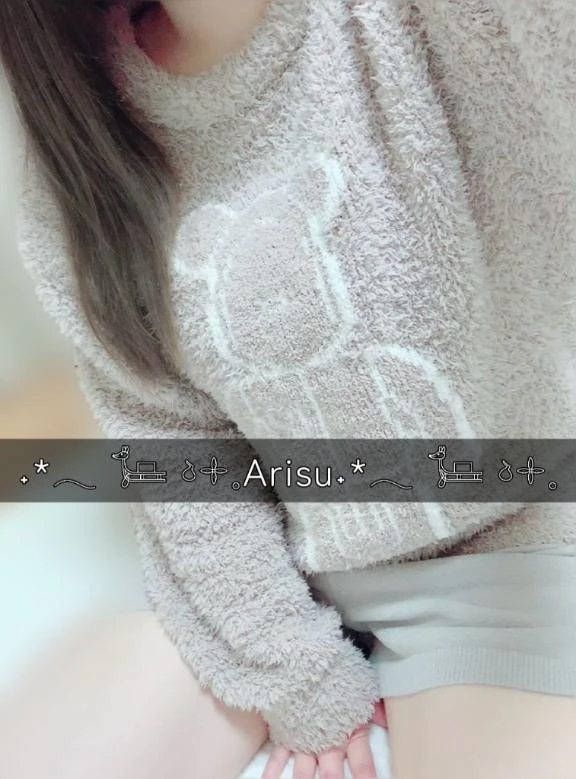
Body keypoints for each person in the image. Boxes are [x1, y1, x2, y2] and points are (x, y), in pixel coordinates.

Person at [2, 1, 576, 777]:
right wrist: (291, 665)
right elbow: (170, 434)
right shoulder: (85, 128)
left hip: (509, 537)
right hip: (272, 561)